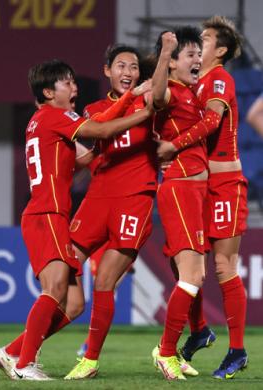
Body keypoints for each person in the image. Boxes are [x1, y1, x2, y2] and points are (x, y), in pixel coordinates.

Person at [0, 59, 151, 381]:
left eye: (74, 82)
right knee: (54, 289)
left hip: (50, 215)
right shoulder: (55, 116)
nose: (74, 88)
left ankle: (11, 352)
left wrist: (117, 140)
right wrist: (144, 111)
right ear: (49, 92)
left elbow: (87, 156)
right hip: (46, 213)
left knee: (74, 304)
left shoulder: (40, 122)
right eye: (67, 83)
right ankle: (23, 365)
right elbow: (102, 128)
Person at [157, 16, 248, 378]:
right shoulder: (194, 84)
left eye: (205, 41)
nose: (198, 48)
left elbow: (211, 123)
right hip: (199, 185)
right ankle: (199, 330)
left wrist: (171, 146)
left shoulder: (219, 79)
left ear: (220, 50)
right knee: (183, 263)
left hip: (225, 185)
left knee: (224, 267)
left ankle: (237, 350)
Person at [63, 45, 160, 380]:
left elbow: (160, 96)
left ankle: (90, 359)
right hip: (98, 197)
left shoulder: (150, 101)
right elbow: (101, 132)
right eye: (121, 65)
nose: (128, 72)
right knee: (64, 262)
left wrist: (163, 62)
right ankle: (31, 342)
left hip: (135, 197)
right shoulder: (93, 109)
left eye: (133, 66)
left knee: (105, 280)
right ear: (107, 71)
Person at [149, 27, 209, 381]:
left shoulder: (191, 92)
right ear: (171, 63)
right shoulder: (169, 89)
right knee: (193, 276)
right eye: (189, 54)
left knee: (189, 278)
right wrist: (164, 50)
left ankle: (183, 342)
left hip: (195, 190)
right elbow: (155, 97)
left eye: (198, 53)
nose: (197, 59)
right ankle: (166, 351)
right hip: (180, 189)